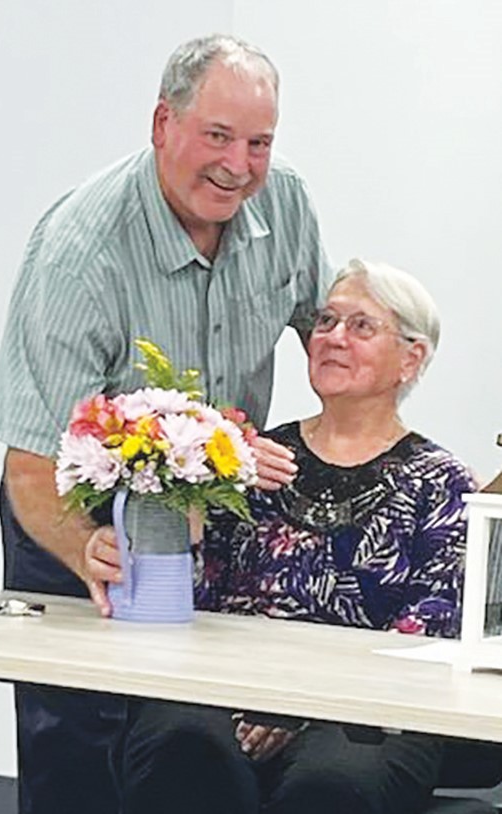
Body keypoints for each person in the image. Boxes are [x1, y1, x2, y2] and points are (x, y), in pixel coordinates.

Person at [0, 33, 333, 814]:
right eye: (217, 137)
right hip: (77, 519)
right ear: (161, 125)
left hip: (212, 521)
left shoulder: (286, 202)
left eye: (259, 143)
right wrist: (89, 550)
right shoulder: (81, 251)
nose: (238, 166)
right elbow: (34, 462)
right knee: (81, 753)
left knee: (192, 751)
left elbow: (329, 339)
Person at [113, 259, 491, 814]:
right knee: (181, 745)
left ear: (411, 358)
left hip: (368, 713)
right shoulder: (251, 460)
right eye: (326, 322)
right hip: (229, 695)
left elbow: (427, 636)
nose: (334, 338)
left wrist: (298, 706)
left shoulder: (442, 485)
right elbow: (201, 602)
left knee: (331, 784)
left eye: (361, 326)